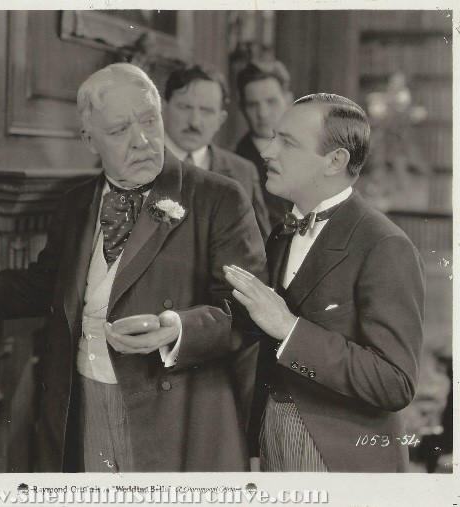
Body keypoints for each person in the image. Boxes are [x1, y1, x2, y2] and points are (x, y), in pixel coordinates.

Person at [0, 63, 267, 473]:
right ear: (90, 140)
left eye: (149, 121)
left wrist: (179, 328)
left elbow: (244, 312)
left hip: (173, 416)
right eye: (119, 131)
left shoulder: (218, 197)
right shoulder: (75, 203)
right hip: (83, 401)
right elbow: (41, 286)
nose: (141, 141)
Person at [224, 93, 425, 472]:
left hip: (343, 460)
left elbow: (395, 383)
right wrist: (254, 445)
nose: (267, 151)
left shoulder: (385, 245)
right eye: (273, 137)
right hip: (272, 445)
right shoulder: (282, 233)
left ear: (335, 160)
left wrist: (290, 329)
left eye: (287, 142)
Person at [163, 64, 270, 239]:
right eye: (185, 107)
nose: (195, 122)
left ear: (221, 120)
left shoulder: (243, 172)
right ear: (164, 108)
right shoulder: (138, 161)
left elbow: (259, 250)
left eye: (206, 111)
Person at [235, 60, 293, 227]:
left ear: (288, 102)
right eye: (253, 105)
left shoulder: (311, 152)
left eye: (271, 102)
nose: (263, 113)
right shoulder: (235, 164)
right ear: (243, 109)